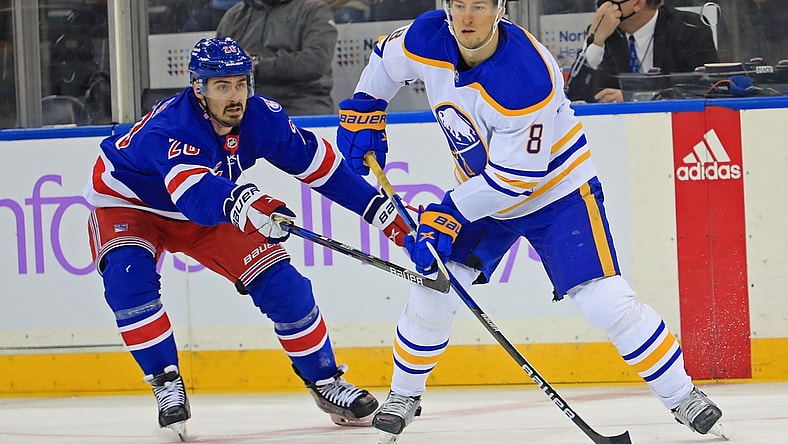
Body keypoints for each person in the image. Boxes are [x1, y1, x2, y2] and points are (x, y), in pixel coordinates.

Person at [335, 1, 726, 442]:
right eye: (458, 4)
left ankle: (682, 397)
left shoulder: (526, 76)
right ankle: (404, 395)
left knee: (606, 301)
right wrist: (366, 106)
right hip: (479, 189)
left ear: (499, 8)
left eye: (478, 6)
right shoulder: (427, 37)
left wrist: (444, 214)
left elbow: (514, 182)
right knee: (432, 290)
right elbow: (385, 63)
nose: (466, 17)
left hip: (556, 193)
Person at [83, 37, 410, 437]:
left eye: (241, 83)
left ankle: (326, 382)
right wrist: (246, 200)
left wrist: (381, 212)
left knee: (284, 287)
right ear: (198, 87)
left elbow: (319, 166)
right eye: (222, 86)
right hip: (130, 205)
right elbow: (195, 197)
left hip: (210, 202)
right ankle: (166, 382)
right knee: (127, 279)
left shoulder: (261, 117)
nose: (235, 95)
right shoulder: (171, 126)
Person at [566, 0, 719, 103]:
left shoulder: (689, 28)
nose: (603, 5)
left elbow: (706, 87)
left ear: (638, 3)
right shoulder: (605, 33)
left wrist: (634, 97)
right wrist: (595, 43)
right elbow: (575, 97)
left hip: (675, 125)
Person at [216, 0, 338, 115]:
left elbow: (315, 62)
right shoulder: (235, 15)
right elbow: (217, 63)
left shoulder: (313, 10)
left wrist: (256, 65)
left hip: (301, 103)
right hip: (247, 104)